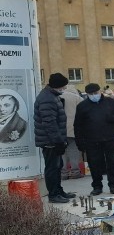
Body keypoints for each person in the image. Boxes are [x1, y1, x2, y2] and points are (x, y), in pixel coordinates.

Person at [74, 83, 114, 196]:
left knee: (112, 162)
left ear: (100, 91)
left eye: (95, 93)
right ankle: (97, 186)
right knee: (94, 163)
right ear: (87, 94)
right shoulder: (82, 106)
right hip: (91, 139)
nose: (93, 95)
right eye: (90, 94)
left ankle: (113, 185)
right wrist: (80, 141)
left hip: (109, 137)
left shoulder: (110, 102)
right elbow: (78, 125)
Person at [34, 73, 75, 203]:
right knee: (52, 167)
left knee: (58, 166)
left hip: (53, 139)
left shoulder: (52, 95)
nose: (64, 89)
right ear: (57, 86)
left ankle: (58, 190)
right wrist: (58, 141)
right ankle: (53, 194)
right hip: (49, 141)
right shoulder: (47, 98)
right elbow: (49, 123)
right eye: (63, 86)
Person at [59, 84, 85, 179]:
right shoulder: (78, 99)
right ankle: (75, 172)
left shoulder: (58, 97)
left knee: (62, 152)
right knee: (74, 151)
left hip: (61, 129)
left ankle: (64, 173)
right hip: (74, 129)